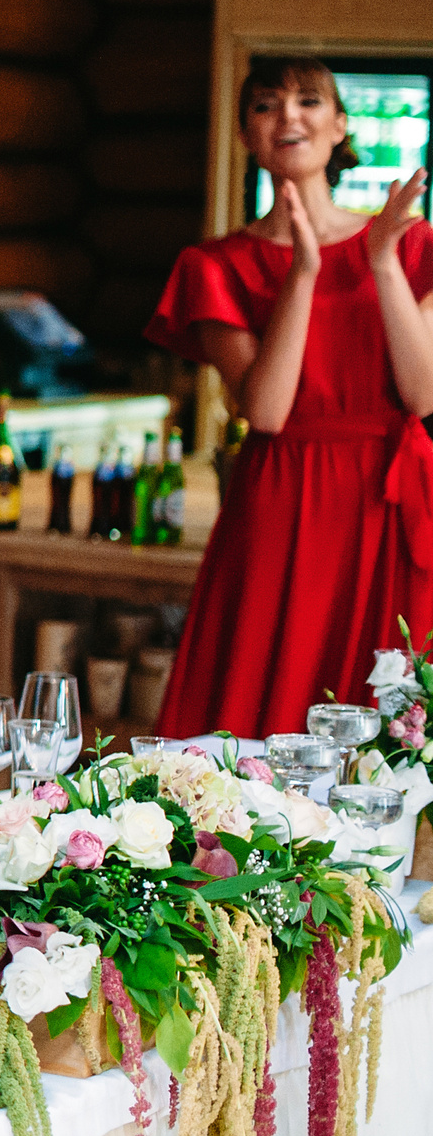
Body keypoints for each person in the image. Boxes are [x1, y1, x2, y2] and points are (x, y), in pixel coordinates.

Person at [147, 56, 433, 737]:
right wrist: (304, 271)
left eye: (308, 101)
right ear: (246, 133)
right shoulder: (214, 264)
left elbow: (422, 394)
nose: (288, 116)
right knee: (263, 704)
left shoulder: (412, 241)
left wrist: (382, 260)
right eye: (266, 104)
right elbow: (267, 411)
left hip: (387, 500)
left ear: (340, 126)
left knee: (389, 724)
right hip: (282, 494)